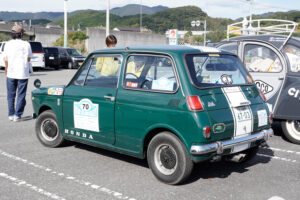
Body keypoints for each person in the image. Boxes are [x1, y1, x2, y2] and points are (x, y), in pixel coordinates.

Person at [3, 25, 32, 122]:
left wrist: (6, 70)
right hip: (22, 73)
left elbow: (5, 59)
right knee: (21, 95)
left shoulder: (8, 44)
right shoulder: (26, 44)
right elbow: (29, 58)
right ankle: (17, 115)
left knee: (10, 95)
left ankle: (11, 114)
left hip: (11, 73)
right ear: (21, 34)